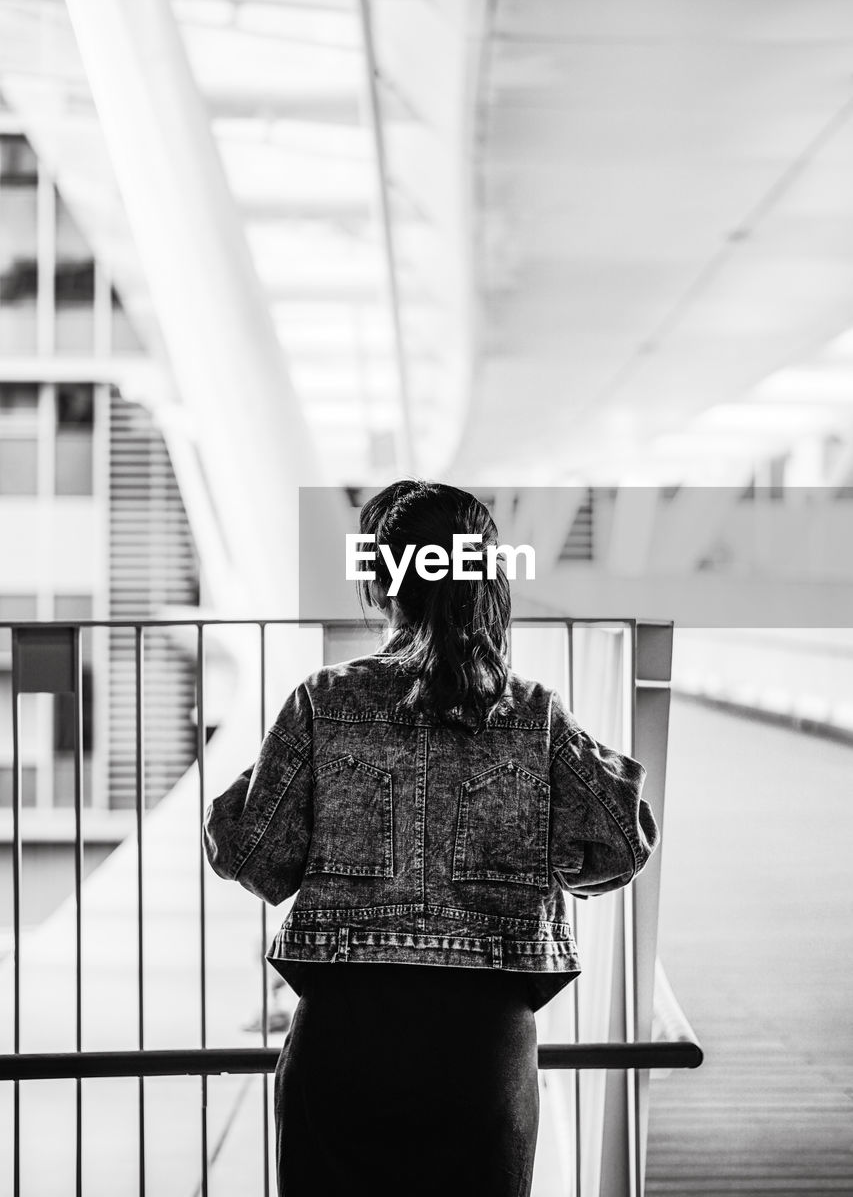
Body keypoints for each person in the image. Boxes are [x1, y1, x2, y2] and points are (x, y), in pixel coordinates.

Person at [203, 480, 659, 1197]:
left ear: (380, 583)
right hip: (481, 1054)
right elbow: (620, 841)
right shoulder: (535, 716)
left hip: (343, 1041)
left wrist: (262, 776)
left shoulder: (323, 701)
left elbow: (254, 857)